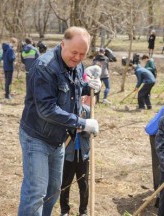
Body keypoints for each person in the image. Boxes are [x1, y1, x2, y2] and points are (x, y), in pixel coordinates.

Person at [17, 26, 101, 216]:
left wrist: (89, 87)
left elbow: (74, 90)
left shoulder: (76, 65)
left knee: (53, 190)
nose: (78, 57)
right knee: (36, 191)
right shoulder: (45, 67)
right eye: (74, 52)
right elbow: (47, 109)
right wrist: (82, 123)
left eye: (83, 54)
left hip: (58, 138)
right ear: (62, 44)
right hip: (36, 136)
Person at [60, 96, 91, 216]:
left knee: (83, 184)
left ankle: (83, 211)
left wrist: (84, 130)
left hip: (83, 154)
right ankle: (64, 210)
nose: (81, 98)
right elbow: (60, 130)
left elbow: (92, 132)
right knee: (65, 183)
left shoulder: (87, 111)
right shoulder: (65, 111)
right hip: (68, 154)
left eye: (82, 96)